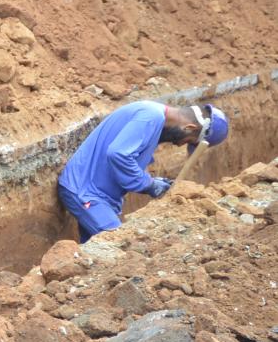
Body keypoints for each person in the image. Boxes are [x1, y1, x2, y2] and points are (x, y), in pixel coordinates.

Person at [57, 101, 229, 242]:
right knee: (116, 246)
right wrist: (148, 184)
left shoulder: (153, 119)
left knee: (92, 261)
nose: (180, 144)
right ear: (189, 127)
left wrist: (155, 182)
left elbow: (128, 158)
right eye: (188, 141)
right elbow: (118, 154)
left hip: (100, 196)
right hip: (86, 192)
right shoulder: (150, 117)